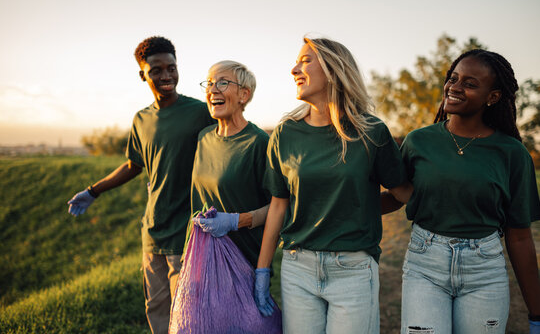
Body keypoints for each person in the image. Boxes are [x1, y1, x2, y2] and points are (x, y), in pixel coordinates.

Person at [253, 37, 413, 334]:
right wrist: (263, 269)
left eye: (305, 60)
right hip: (297, 267)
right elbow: (278, 205)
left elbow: (403, 194)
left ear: (334, 69)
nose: (294, 69)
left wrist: (357, 210)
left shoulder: (371, 132)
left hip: (353, 269)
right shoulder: (285, 133)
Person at [67, 36, 214, 334]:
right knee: (157, 309)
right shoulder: (141, 119)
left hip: (187, 230)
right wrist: (94, 190)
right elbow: (135, 164)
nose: (166, 76)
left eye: (171, 68)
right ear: (142, 74)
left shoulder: (200, 112)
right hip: (153, 230)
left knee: (187, 313)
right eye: (157, 70)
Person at [397, 49, 540, 334]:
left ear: (493, 97)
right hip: (425, 265)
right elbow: (399, 194)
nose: (455, 88)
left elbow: (520, 236)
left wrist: (537, 314)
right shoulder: (418, 141)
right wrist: (345, 203)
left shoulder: (511, 153)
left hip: (484, 271)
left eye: (470, 84)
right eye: (453, 78)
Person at [190, 60, 270, 268]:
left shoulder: (258, 142)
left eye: (223, 83)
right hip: (202, 259)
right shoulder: (203, 137)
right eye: (209, 83)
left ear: (244, 95)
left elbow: (279, 207)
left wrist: (235, 221)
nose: (213, 90)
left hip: (243, 263)